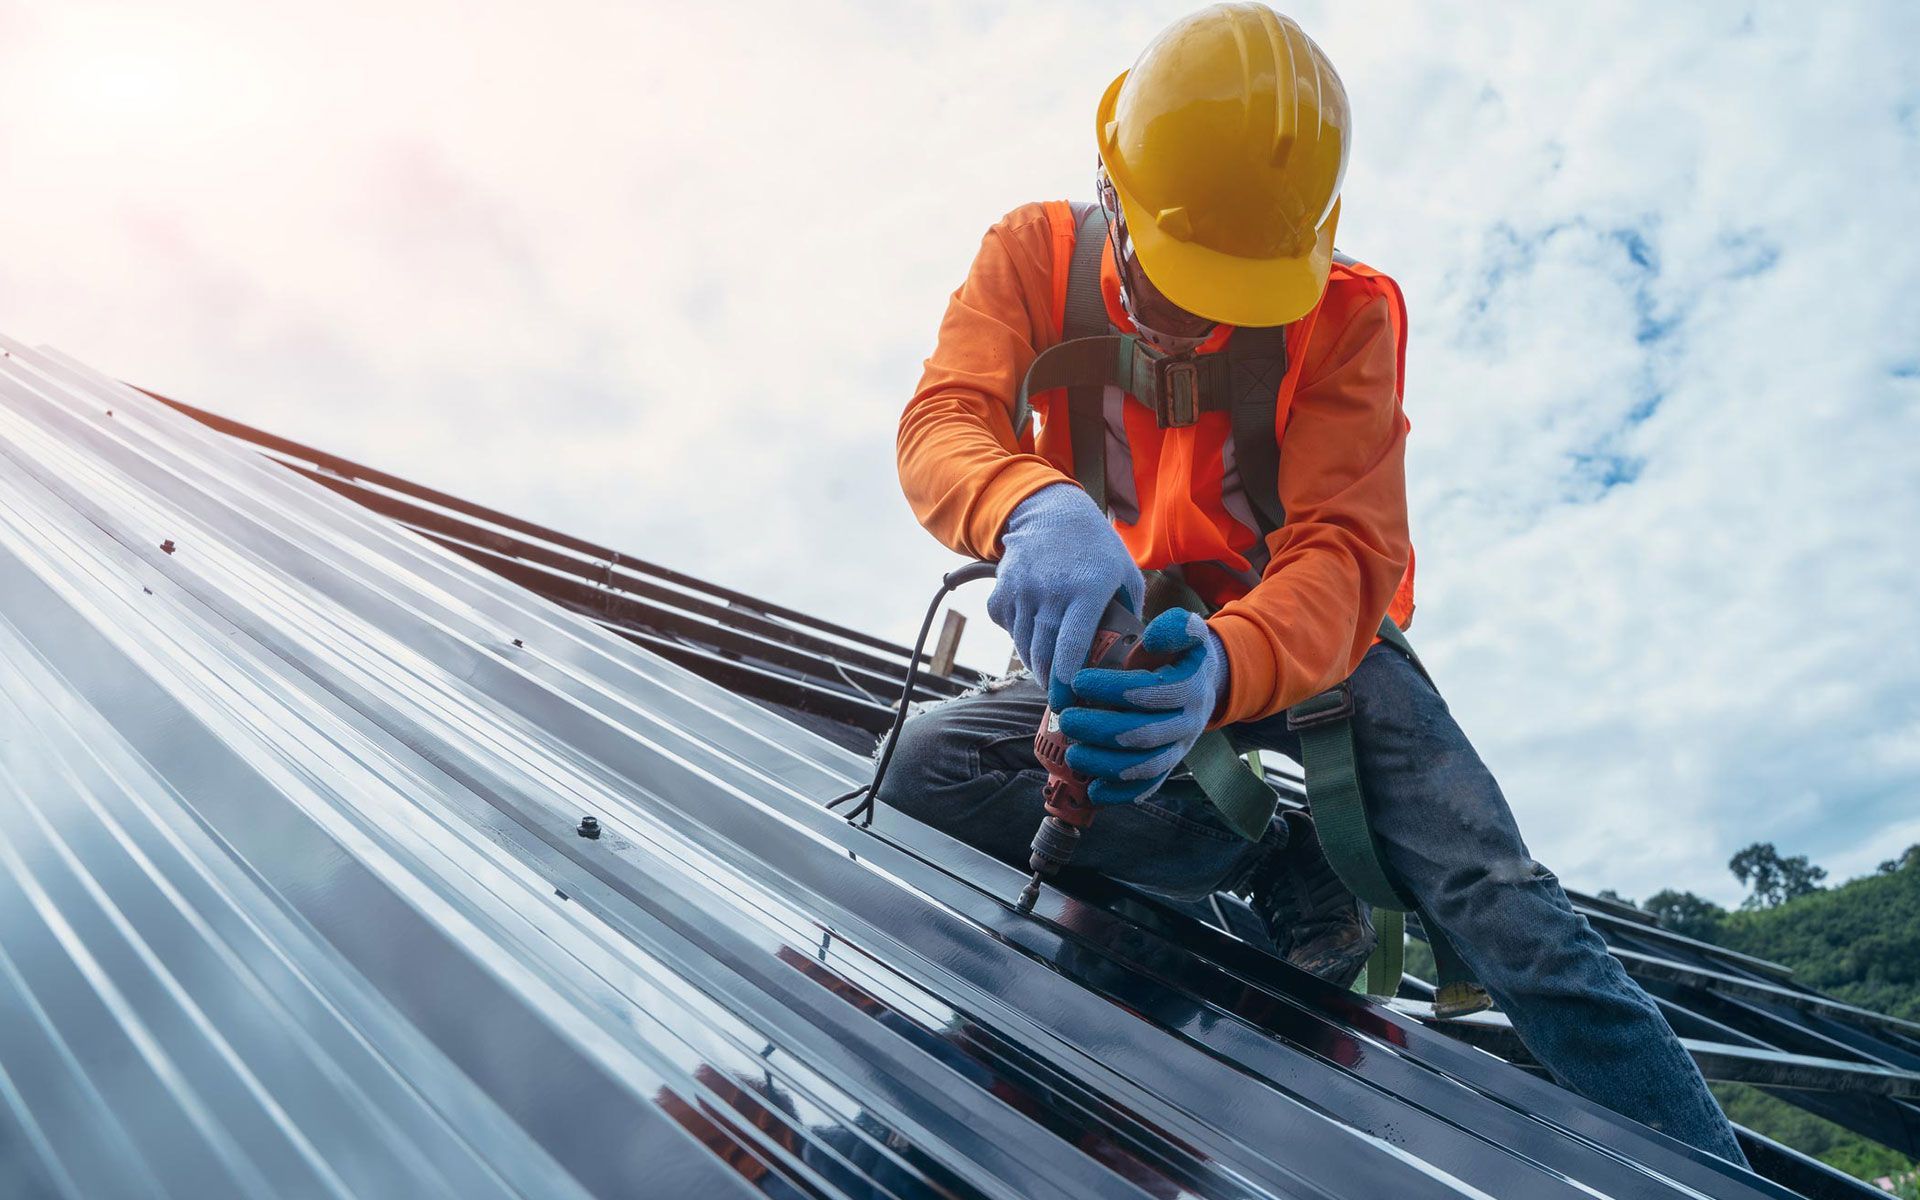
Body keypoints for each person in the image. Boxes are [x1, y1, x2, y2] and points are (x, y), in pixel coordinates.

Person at [880, 2, 1748, 1166]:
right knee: (933, 768)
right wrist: (1026, 504)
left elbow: (1347, 552)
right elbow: (946, 420)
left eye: (1229, 296)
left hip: (1310, 639)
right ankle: (1268, 861)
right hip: (1138, 617)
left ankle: (1712, 1174)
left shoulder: (1346, 315)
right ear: (1114, 185)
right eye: (1175, 282)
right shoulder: (1032, 257)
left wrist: (1228, 669)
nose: (1194, 323)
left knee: (1502, 906)